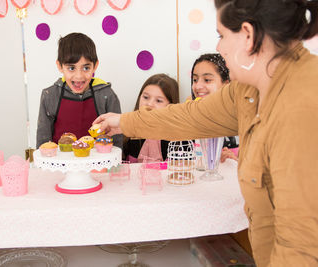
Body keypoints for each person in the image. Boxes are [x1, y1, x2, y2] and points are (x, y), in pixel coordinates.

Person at [94, 0, 318, 266]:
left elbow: (302, 243)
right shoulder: (248, 89)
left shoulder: (303, 105)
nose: (219, 47)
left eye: (222, 35)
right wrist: (124, 121)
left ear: (248, 35)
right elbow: (192, 116)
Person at [36, 32, 122, 149]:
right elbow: (43, 143)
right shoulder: (50, 96)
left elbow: (116, 143)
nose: (79, 76)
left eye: (86, 68)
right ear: (60, 66)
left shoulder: (106, 95)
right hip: (59, 166)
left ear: (95, 65)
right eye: (71, 68)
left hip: (98, 166)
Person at [190, 53, 238, 162]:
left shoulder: (240, 120)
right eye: (195, 80)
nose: (197, 86)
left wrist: (234, 161)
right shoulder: (189, 118)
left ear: (226, 84)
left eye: (207, 80)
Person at [123, 73, 180, 162]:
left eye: (158, 101)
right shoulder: (128, 133)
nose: (149, 104)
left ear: (171, 105)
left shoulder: (178, 140)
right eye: (146, 97)